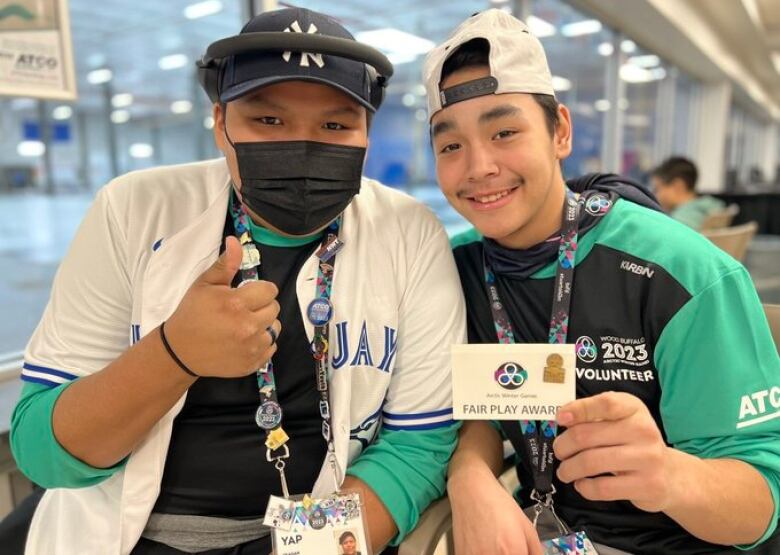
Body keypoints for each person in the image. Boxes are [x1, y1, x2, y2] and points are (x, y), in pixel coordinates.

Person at [9, 7, 465, 554]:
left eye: (336, 124)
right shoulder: (132, 210)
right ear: (220, 121)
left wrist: (298, 549)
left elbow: (419, 443)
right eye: (267, 121)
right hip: (120, 535)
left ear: (366, 131)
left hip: (316, 534)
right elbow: (42, 451)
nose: (302, 146)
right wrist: (173, 354)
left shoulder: (408, 233)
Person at [423, 9, 780, 555]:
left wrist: (668, 474)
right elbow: (476, 414)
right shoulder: (457, 269)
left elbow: (763, 502)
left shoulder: (683, 273)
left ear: (560, 131)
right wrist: (470, 474)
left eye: (505, 132)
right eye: (451, 146)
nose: (479, 167)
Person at [651, 156, 726, 229]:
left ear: (678, 186)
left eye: (657, 189)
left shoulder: (682, 220)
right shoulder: (713, 206)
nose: (655, 195)